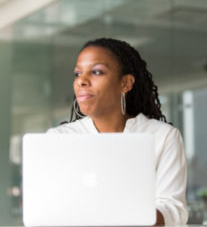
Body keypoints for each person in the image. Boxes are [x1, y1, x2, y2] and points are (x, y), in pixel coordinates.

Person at [47, 38, 188, 225]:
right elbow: (47, 207)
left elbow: (173, 210)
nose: (81, 80)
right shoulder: (58, 139)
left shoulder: (162, 136)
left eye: (96, 72)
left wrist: (114, 215)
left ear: (126, 83)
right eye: (78, 73)